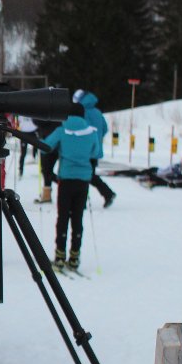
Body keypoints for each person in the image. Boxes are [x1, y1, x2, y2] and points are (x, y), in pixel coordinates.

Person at [43, 102, 99, 270]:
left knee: (63, 217)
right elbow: (95, 153)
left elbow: (46, 146)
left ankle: (60, 255)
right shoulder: (91, 132)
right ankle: (74, 256)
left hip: (66, 179)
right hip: (83, 180)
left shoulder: (62, 130)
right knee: (77, 218)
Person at [74, 89, 116, 208]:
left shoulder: (83, 113)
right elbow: (105, 128)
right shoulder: (97, 112)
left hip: (85, 150)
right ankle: (107, 194)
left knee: (86, 176)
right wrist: (98, 138)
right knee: (89, 175)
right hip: (96, 149)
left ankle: (107, 194)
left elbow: (81, 131)